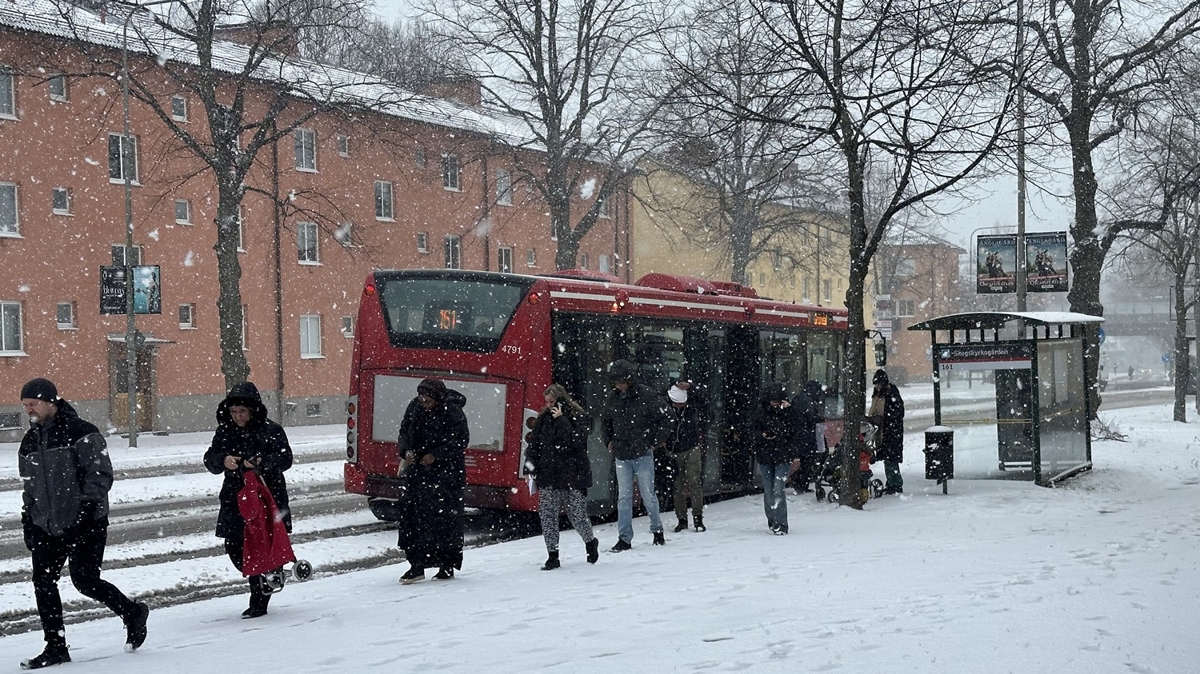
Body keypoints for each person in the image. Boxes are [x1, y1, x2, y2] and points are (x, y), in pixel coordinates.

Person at [18, 378, 149, 669]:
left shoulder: (82, 432)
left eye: (33, 404)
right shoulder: (29, 441)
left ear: (51, 401)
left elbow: (100, 474)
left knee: (85, 580)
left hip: (86, 522)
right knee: (43, 582)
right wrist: (29, 518)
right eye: (25, 405)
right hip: (47, 526)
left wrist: (87, 510)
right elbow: (29, 486)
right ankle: (55, 646)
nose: (29, 410)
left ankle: (132, 612)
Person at [203, 382, 294, 619]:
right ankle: (266, 575)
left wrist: (261, 462)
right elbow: (210, 458)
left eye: (242, 411)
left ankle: (260, 596)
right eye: (233, 412)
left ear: (252, 410)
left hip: (266, 496)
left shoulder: (271, 430)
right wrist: (223, 460)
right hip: (235, 498)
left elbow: (285, 459)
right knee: (235, 546)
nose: (237, 416)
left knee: (263, 544)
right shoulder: (224, 431)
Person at [396, 378, 469, 584]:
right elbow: (404, 432)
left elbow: (461, 439)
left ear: (437, 398)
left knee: (444, 521)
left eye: (428, 400)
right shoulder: (415, 407)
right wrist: (406, 451)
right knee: (414, 519)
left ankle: (446, 564)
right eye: (422, 399)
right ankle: (416, 565)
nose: (424, 403)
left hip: (446, 476)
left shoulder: (452, 411)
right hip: (418, 474)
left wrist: (437, 455)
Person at [524, 384, 599, 570]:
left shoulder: (578, 416)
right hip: (549, 474)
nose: (549, 406)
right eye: (547, 402)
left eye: (552, 402)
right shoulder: (543, 419)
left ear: (561, 400)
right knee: (548, 516)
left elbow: (576, 442)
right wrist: (529, 469)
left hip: (572, 474)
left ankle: (590, 542)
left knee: (577, 514)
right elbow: (534, 447)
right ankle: (553, 555)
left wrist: (562, 419)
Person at [601, 359, 668, 551]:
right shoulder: (645, 395)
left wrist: (609, 441)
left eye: (620, 382)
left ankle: (630, 537)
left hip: (631, 452)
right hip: (635, 451)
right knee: (640, 496)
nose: (618, 385)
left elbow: (605, 421)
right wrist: (654, 441)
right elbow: (667, 417)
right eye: (616, 382)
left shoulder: (620, 397)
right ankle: (653, 532)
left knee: (632, 497)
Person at [751, 383, 800, 534]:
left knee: (777, 489)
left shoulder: (787, 413)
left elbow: (795, 429)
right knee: (769, 490)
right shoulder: (760, 413)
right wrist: (763, 435)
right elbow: (753, 431)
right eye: (773, 401)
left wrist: (789, 411)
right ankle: (773, 520)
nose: (775, 404)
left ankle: (780, 523)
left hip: (781, 455)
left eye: (777, 401)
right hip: (768, 455)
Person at [665, 383, 706, 533]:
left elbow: (703, 398)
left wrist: (691, 387)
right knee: (679, 486)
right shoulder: (667, 407)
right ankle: (684, 518)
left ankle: (696, 517)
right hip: (678, 449)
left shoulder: (690, 405)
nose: (679, 406)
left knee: (690, 483)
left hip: (687, 448)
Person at [867, 369, 906, 495]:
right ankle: (891, 482)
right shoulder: (879, 396)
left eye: (878, 384)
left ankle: (895, 483)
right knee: (887, 458)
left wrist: (884, 419)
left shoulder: (891, 395)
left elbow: (898, 413)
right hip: (884, 432)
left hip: (891, 432)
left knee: (891, 458)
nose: (877, 387)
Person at [791, 380, 826, 494]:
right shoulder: (809, 401)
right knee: (807, 461)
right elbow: (811, 418)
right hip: (807, 435)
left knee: (802, 459)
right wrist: (820, 419)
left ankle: (798, 481)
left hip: (797, 434)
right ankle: (801, 483)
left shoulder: (797, 398)